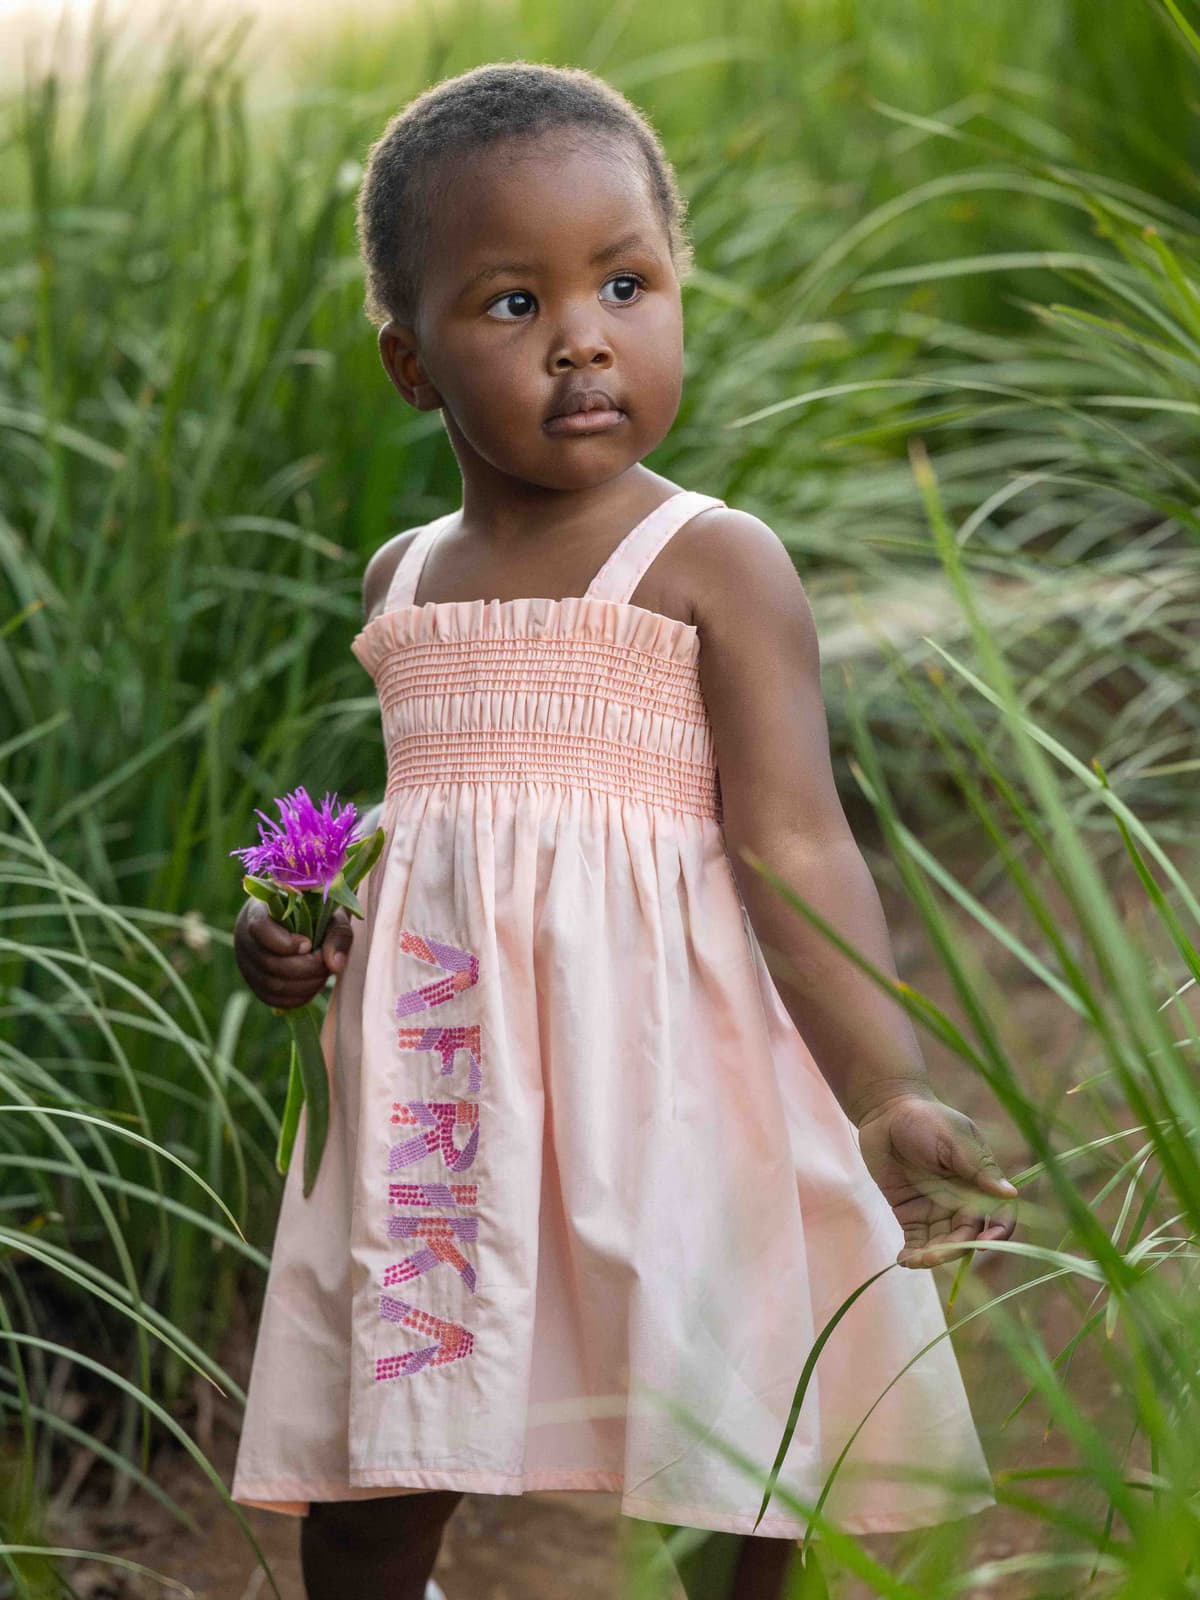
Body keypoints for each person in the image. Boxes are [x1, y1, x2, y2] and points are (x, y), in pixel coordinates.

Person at [228, 60, 1018, 1600]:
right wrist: (295, 930)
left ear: (674, 293)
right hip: (447, 1095)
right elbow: (432, 822)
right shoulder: (401, 578)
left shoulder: (711, 559)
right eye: (511, 304)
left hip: (678, 1077)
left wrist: (887, 1088)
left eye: (625, 283)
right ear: (411, 363)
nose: (583, 334)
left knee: (731, 1436)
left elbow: (795, 843)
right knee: (391, 1454)